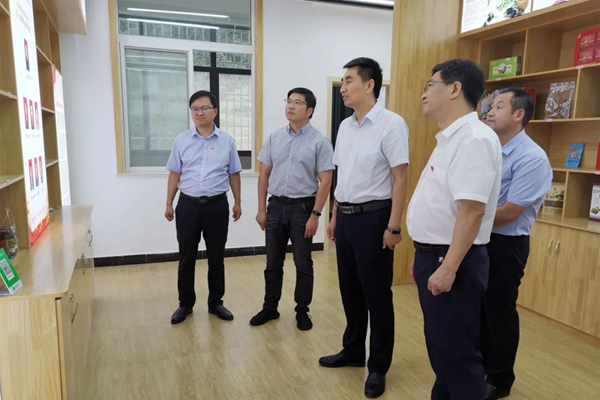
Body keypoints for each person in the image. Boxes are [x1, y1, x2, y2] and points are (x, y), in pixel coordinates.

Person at [406, 59, 502, 400]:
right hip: (436, 255)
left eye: (430, 85)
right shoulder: (450, 139)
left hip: (454, 261)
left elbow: (472, 211)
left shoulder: (474, 138)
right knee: (442, 349)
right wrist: (423, 254)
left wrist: (447, 267)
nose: (423, 94)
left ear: (455, 88)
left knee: (457, 356)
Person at [319, 57, 409, 399]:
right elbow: (342, 175)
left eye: (349, 81)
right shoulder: (345, 126)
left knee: (377, 295)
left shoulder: (391, 124)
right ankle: (353, 350)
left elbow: (400, 177)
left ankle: (378, 366)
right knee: (350, 289)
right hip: (346, 217)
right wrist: (334, 216)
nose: (343, 88)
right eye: (342, 82)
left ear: (370, 85)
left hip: (375, 219)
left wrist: (394, 226)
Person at [481, 88, 552, 400]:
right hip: (480, 237)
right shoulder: (488, 147)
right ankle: (480, 368)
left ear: (519, 114)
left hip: (505, 245)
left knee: (499, 311)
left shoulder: (532, 158)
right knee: (478, 309)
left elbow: (510, 212)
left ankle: (500, 379)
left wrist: (466, 217)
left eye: (499, 106)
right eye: (491, 105)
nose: (490, 111)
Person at [250, 87, 334, 331]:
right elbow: (264, 174)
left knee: (303, 263)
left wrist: (315, 215)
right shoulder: (275, 137)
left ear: (310, 111)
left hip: (302, 209)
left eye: (297, 102)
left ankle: (302, 310)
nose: (290, 106)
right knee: (272, 263)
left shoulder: (320, 142)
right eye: (289, 101)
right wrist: (261, 209)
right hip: (276, 206)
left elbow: (325, 181)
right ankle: (270, 307)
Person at [165, 90, 243, 325]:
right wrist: (169, 203)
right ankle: (185, 304)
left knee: (216, 257)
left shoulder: (227, 141)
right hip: (187, 205)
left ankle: (216, 302)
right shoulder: (181, 140)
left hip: (216, 206)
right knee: (186, 257)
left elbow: (234, 173)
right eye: (195, 109)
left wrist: (238, 202)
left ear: (215, 111)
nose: (199, 113)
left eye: (204, 108)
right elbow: (175, 173)